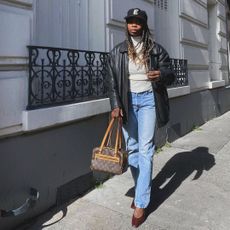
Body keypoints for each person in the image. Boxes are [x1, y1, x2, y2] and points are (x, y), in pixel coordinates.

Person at [106, 8, 175, 228]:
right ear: (126, 25)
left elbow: (171, 74)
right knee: (133, 150)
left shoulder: (155, 49)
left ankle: (141, 203)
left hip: (148, 101)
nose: (134, 24)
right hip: (127, 103)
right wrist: (115, 105)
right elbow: (111, 82)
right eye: (131, 21)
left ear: (144, 25)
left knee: (145, 149)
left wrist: (161, 75)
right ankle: (141, 189)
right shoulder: (117, 52)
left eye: (138, 21)